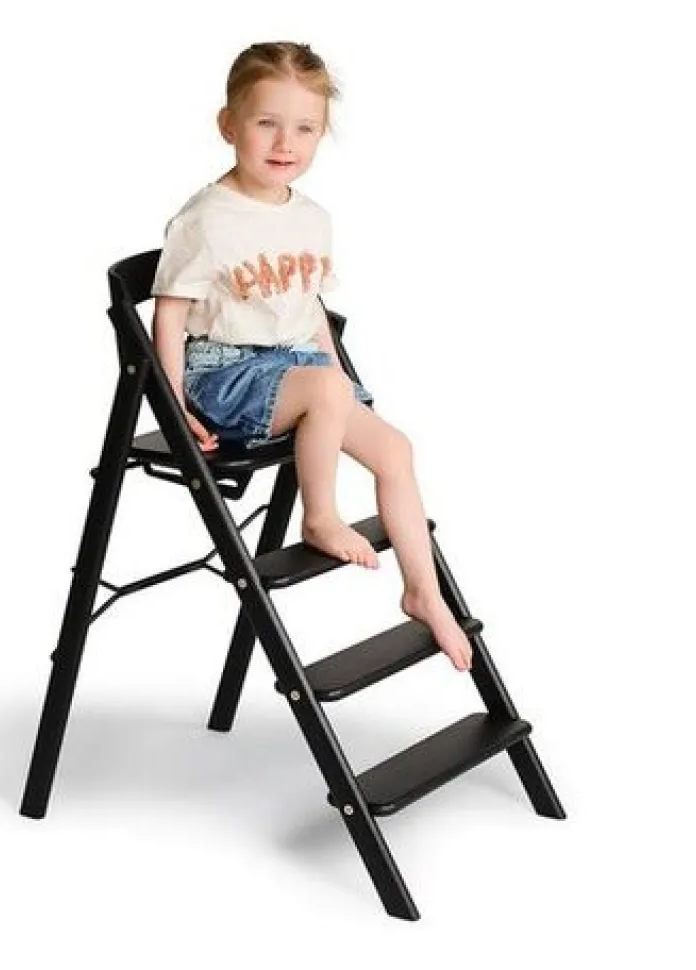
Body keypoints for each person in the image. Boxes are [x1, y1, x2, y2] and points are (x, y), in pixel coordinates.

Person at [151, 42, 472, 672]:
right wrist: (173, 405)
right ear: (228, 125)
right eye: (266, 122)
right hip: (225, 375)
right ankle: (319, 518)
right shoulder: (206, 219)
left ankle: (423, 592)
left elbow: (312, 311)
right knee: (325, 389)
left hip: (298, 370)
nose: (285, 143)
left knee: (395, 449)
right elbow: (168, 316)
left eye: (305, 128)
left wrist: (342, 379)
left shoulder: (312, 218)